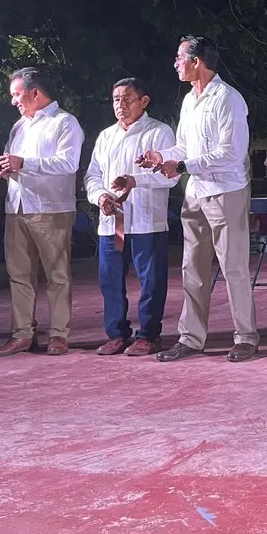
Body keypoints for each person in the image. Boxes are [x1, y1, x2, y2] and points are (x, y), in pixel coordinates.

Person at [139, 35, 259, 363]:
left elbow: (230, 153)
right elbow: (185, 147)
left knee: (234, 267)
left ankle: (246, 336)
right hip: (195, 193)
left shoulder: (228, 98)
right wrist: (160, 155)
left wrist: (182, 165)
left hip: (226, 192)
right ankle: (191, 337)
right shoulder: (189, 100)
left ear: (197, 61)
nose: (175, 64)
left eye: (180, 58)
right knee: (192, 268)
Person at [0, 67, 85, 357]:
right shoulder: (19, 126)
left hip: (50, 208)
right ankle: (22, 334)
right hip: (17, 207)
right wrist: (2, 165)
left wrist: (23, 163)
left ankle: (58, 335)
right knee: (19, 275)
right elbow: (13, 160)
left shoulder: (64, 122)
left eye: (16, 95)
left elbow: (68, 164)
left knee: (57, 275)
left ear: (35, 93)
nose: (14, 101)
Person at [84, 78, 178, 357]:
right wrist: (100, 196)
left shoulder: (159, 132)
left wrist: (134, 180)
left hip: (146, 220)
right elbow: (92, 176)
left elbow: (170, 178)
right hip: (112, 222)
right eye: (116, 99)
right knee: (109, 279)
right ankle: (116, 333)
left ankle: (149, 335)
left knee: (151, 280)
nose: (120, 105)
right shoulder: (105, 136)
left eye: (127, 99)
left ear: (144, 101)